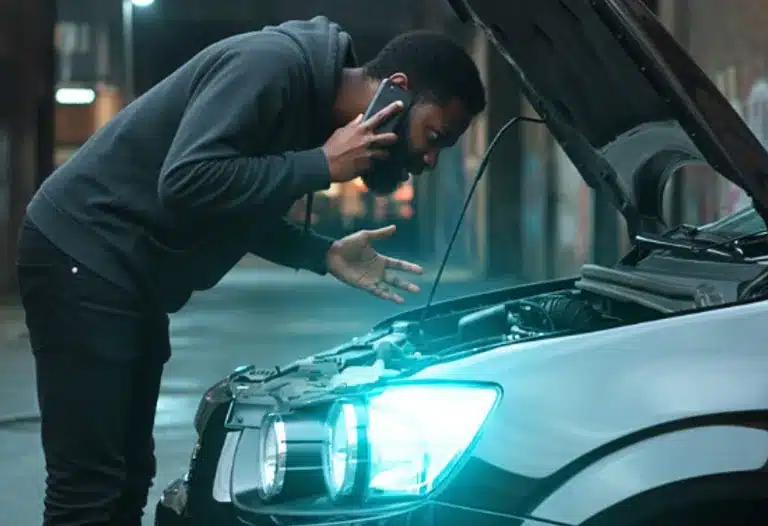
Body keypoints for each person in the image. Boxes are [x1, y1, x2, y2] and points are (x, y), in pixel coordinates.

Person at [16, 16, 486, 526]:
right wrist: (318, 165)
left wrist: (321, 253)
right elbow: (187, 180)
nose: (432, 159)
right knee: (89, 487)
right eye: (434, 134)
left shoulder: (311, 110)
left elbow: (230, 205)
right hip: (82, 251)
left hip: (127, 274)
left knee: (129, 474)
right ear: (398, 90)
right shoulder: (272, 67)